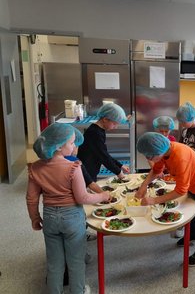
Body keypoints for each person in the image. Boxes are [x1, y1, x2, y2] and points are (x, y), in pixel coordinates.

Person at [26, 123, 110, 294]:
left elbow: (31, 198)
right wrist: (103, 196)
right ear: (58, 146)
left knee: (54, 261)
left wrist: (34, 218)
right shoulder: (73, 166)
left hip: (49, 217)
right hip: (72, 218)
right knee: (75, 260)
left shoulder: (35, 168)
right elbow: (83, 197)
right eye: (71, 143)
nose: (74, 147)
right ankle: (78, 291)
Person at [135, 132, 195, 266]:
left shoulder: (180, 157)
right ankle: (193, 235)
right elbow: (156, 170)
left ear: (158, 151)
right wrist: (144, 186)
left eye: (150, 156)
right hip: (191, 183)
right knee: (194, 213)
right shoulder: (164, 151)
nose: (148, 158)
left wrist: (153, 200)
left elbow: (180, 190)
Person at [77, 103, 130, 182]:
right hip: (86, 172)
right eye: (114, 124)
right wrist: (119, 173)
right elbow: (103, 157)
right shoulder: (94, 133)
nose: (116, 127)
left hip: (90, 169)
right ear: (105, 119)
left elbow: (104, 153)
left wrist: (120, 165)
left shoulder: (98, 130)